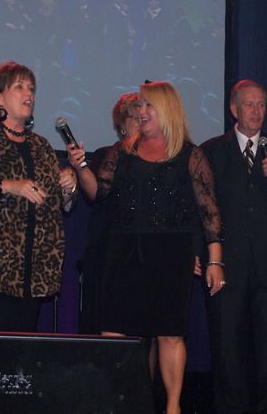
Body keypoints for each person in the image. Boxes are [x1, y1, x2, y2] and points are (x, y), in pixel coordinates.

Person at [68, 81, 224, 414]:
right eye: (139, 106)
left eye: (147, 105)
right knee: (114, 332)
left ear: (167, 109)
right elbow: (97, 193)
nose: (141, 112)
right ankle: (118, 404)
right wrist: (81, 168)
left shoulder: (190, 155)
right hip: (124, 250)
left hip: (171, 253)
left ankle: (172, 407)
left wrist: (215, 260)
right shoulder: (122, 151)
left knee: (170, 334)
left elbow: (209, 211)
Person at [200, 79, 267, 414]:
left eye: (261, 105)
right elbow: (201, 208)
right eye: (249, 104)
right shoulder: (212, 151)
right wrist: (200, 253)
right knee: (228, 351)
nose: (257, 111)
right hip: (227, 268)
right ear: (234, 109)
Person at [0, 61, 77, 332]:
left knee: (22, 350)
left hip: (34, 269)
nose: (28, 94)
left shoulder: (41, 145)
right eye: (19, 87)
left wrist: (68, 188)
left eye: (31, 88)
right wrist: (9, 186)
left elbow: (59, 204)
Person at [77, 92, 141, 335]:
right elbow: (95, 193)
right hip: (109, 252)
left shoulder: (160, 158)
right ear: (122, 126)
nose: (141, 122)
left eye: (144, 116)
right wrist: (80, 168)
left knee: (147, 327)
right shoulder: (106, 155)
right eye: (135, 117)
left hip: (144, 252)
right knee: (107, 322)